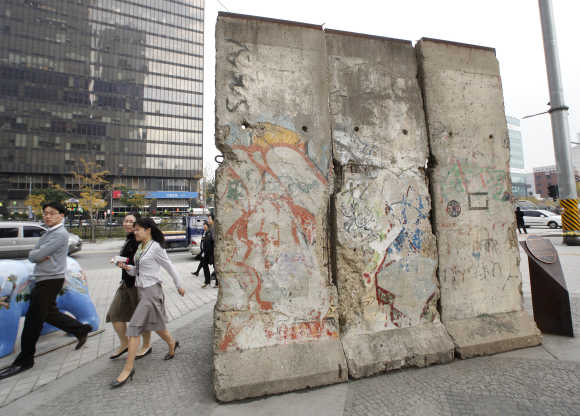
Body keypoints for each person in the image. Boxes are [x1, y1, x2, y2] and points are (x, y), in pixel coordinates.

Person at [0, 202, 92, 380]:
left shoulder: (59, 234)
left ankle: (25, 360)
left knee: (33, 321)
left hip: (49, 280)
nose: (47, 216)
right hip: (45, 278)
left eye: (52, 213)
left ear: (61, 216)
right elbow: (36, 253)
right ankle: (81, 329)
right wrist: (38, 253)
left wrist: (38, 254)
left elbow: (34, 256)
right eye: (45, 213)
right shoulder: (49, 232)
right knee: (49, 313)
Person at [112, 217, 185, 388]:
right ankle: (172, 344)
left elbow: (170, 267)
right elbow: (138, 271)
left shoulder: (156, 247)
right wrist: (126, 267)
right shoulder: (140, 247)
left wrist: (179, 285)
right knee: (158, 326)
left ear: (148, 230)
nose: (134, 231)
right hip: (141, 291)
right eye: (134, 229)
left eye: (137, 229)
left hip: (152, 292)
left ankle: (128, 369)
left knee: (134, 328)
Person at [106, 214, 152, 360]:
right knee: (114, 314)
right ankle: (125, 344)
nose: (127, 224)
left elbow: (140, 263)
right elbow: (128, 259)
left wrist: (124, 263)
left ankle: (146, 345)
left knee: (141, 318)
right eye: (125, 221)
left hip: (138, 285)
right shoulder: (129, 239)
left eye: (131, 221)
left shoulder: (140, 240)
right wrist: (120, 261)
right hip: (125, 283)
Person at [200, 221, 214, 289]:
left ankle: (217, 282)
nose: (204, 226)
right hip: (204, 253)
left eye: (205, 225)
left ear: (207, 226)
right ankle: (207, 281)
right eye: (203, 225)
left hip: (209, 253)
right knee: (205, 267)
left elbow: (210, 242)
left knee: (214, 267)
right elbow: (203, 242)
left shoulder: (210, 232)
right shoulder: (204, 232)